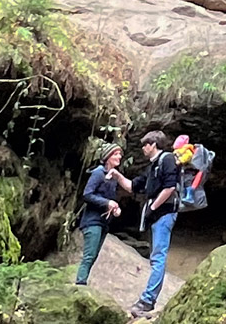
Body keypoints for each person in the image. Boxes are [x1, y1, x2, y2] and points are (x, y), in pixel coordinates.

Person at [130, 131, 179, 317]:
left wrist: (153, 207)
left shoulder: (166, 159)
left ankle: (147, 301)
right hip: (158, 216)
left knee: (158, 257)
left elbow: (170, 187)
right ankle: (147, 299)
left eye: (145, 144)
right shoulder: (152, 167)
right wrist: (116, 175)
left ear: (153, 145)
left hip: (164, 214)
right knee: (156, 256)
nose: (143, 148)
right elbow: (134, 185)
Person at [76, 142, 132, 286]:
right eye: (115, 154)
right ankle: (80, 283)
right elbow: (87, 194)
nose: (119, 156)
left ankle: (82, 281)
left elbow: (109, 199)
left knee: (93, 256)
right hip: (92, 221)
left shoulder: (113, 177)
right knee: (89, 255)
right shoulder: (98, 173)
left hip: (103, 223)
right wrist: (107, 203)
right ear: (107, 157)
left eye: (120, 154)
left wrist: (114, 208)